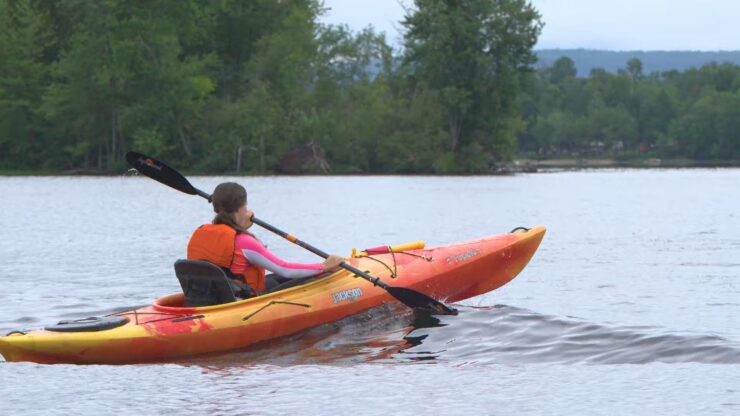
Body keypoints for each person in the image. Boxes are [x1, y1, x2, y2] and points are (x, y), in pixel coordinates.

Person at [187, 182, 344, 295]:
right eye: (246, 207)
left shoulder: (202, 232)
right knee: (298, 279)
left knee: (275, 280)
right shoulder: (243, 241)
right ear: (241, 208)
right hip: (241, 299)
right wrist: (323, 266)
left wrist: (241, 226)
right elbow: (285, 269)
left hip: (213, 297)